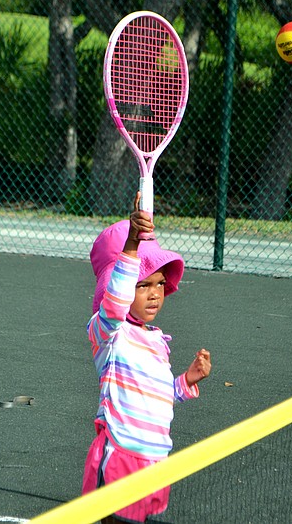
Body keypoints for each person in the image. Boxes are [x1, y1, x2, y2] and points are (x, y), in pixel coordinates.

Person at [82, 195, 212, 523]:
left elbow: (157, 397)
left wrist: (185, 382)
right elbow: (115, 303)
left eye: (159, 284)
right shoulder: (108, 333)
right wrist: (131, 244)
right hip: (120, 454)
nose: (155, 293)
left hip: (155, 459)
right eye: (143, 285)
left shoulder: (156, 340)